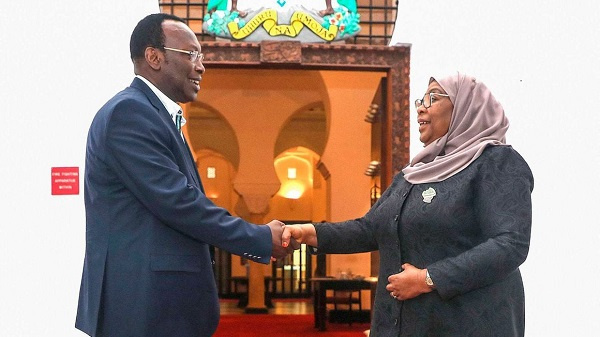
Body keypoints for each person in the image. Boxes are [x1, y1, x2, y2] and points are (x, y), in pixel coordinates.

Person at [75, 13, 293, 337]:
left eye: (201, 56)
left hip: (155, 307)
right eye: (191, 54)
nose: (201, 66)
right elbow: (181, 204)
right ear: (154, 57)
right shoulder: (130, 113)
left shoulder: (154, 114)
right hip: (142, 308)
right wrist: (259, 238)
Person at [282, 72, 534, 336]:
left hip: (468, 322)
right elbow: (369, 229)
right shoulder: (413, 174)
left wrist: (429, 279)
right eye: (421, 99)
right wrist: (309, 232)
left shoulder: (497, 163)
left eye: (434, 97)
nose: (421, 106)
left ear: (466, 108)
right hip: (401, 325)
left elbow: (510, 244)